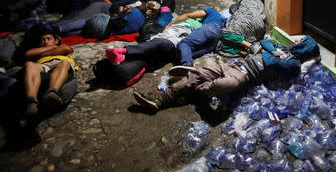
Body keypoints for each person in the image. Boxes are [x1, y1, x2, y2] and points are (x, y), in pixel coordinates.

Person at [132, 36, 321, 113]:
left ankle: (197, 90)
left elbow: (269, 58)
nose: (296, 40)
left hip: (245, 75)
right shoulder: (283, 49)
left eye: (301, 40)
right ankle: (161, 98)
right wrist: (272, 53)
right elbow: (263, 42)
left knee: (227, 85)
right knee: (202, 72)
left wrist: (270, 54)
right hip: (232, 64)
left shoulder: (295, 65)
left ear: (305, 47)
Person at [105, 15, 203, 72]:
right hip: (172, 34)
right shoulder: (184, 18)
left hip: (177, 38)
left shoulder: (203, 25)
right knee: (156, 48)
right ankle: (122, 55)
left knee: (161, 46)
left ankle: (123, 52)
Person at [22, 27, 76, 119]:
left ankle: (51, 93)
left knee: (64, 63)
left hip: (59, 63)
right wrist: (53, 49)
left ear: (56, 40)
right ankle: (32, 101)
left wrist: (42, 53)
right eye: (42, 40)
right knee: (30, 65)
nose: (46, 42)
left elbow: (66, 49)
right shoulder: (35, 50)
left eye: (48, 39)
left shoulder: (63, 46)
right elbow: (28, 53)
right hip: (43, 66)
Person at [166, 7, 223, 74]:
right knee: (186, 54)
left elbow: (188, 15)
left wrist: (170, 24)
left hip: (209, 28)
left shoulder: (212, 10)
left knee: (184, 44)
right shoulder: (222, 20)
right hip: (216, 38)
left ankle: (187, 65)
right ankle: (185, 68)